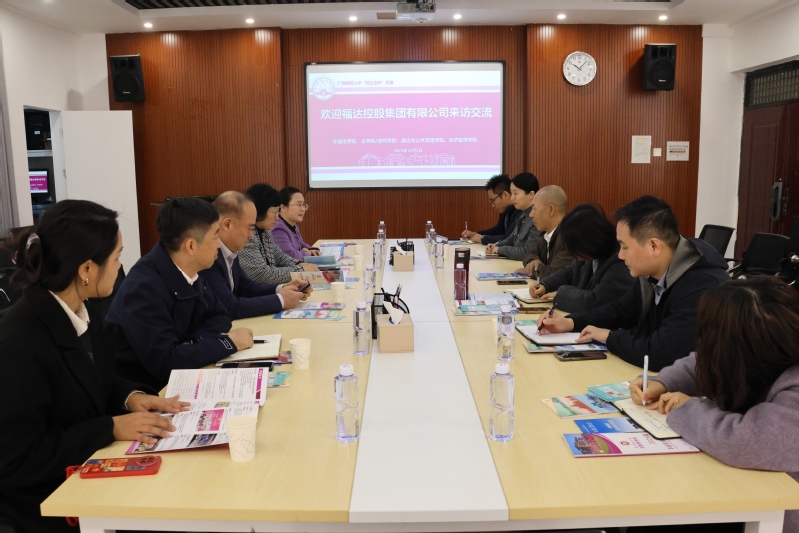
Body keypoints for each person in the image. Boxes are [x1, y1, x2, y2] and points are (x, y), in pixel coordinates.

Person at [0, 200, 187, 533]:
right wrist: (110, 428)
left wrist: (130, 397)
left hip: (89, 474)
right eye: (116, 257)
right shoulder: (19, 342)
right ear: (86, 269)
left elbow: (90, 381)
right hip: (47, 502)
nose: (120, 267)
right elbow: (18, 458)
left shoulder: (87, 312)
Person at [629, 277, 799, 533]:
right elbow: (708, 360)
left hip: (774, 512)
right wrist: (663, 382)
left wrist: (687, 407)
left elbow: (748, 442)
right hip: (743, 492)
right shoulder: (760, 353)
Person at [537, 195, 729, 371]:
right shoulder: (653, 273)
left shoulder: (700, 286)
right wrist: (571, 322)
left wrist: (609, 337)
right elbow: (621, 310)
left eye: (625, 247)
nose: (620, 255)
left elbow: (659, 354)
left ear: (654, 246)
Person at [107, 197, 254, 391]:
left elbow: (220, 314)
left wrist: (193, 344)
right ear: (191, 246)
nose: (219, 245)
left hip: (183, 377)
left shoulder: (189, 269)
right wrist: (228, 343)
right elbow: (166, 363)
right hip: (148, 392)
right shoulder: (143, 289)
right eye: (215, 237)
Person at [200, 191, 311, 319]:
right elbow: (228, 306)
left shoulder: (231, 249)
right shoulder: (209, 256)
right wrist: (280, 300)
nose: (251, 235)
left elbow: (246, 287)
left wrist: (283, 288)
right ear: (227, 224)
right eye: (249, 228)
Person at [532, 204, 636, 313]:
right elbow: (570, 272)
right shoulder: (590, 254)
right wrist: (545, 285)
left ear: (589, 242)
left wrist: (561, 294)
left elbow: (595, 301)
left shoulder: (621, 260)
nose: (575, 255)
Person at [239, 183, 319, 285]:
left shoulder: (265, 233)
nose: (277, 217)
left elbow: (280, 257)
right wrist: (300, 270)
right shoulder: (248, 235)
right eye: (275, 212)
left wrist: (301, 264)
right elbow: (262, 275)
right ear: (261, 209)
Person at [516, 185, 574, 279]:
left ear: (550, 210)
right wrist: (533, 261)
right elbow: (529, 253)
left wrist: (532, 270)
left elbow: (554, 275)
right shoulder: (548, 234)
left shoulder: (569, 237)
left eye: (534, 209)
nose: (530, 215)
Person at [485, 172, 540, 261]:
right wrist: (495, 246)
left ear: (531, 194)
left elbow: (527, 252)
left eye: (516, 194)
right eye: (511, 193)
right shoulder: (523, 216)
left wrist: (499, 250)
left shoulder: (538, 218)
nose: (512, 198)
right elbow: (511, 239)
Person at [461, 174, 522, 245]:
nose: (492, 205)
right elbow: (498, 230)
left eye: (493, 200)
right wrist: (476, 234)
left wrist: (482, 238)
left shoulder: (519, 211)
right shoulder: (506, 210)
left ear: (505, 195)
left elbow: (508, 239)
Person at [272, 187, 319, 261]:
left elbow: (301, 244)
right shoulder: (278, 229)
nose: (302, 209)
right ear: (283, 207)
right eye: (298, 205)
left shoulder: (292, 225)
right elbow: (290, 255)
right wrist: (307, 253)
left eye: (303, 205)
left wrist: (313, 249)